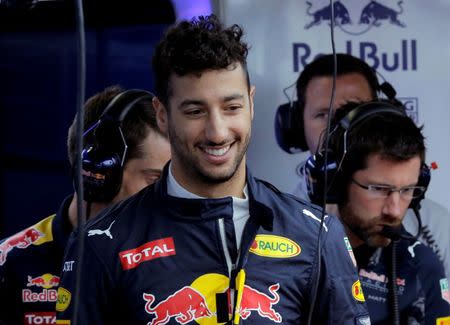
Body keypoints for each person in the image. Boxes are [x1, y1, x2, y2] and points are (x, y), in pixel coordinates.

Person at [56, 15, 370, 325]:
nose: (217, 132)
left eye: (232, 107)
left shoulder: (316, 234)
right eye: (195, 111)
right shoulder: (99, 244)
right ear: (162, 115)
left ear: (251, 102)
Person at [0, 85, 171, 325]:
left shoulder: (178, 261)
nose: (169, 193)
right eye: (156, 179)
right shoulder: (9, 265)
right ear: (99, 172)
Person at [279, 53, 450, 281]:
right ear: (298, 125)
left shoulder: (436, 226)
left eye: (354, 111)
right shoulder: (277, 224)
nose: (338, 128)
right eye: (323, 115)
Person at [305, 99, 450, 324]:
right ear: (337, 182)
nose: (394, 210)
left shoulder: (422, 266)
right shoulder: (291, 253)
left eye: (407, 190)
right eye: (378, 189)